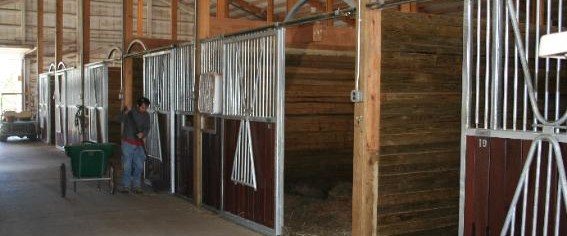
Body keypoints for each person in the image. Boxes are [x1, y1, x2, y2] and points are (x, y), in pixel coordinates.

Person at [119, 97, 151, 193]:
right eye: (143, 107)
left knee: (140, 166)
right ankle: (126, 186)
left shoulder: (146, 115)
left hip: (139, 143)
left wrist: (143, 134)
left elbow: (147, 127)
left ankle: (137, 185)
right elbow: (118, 119)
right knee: (127, 166)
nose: (144, 109)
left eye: (146, 107)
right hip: (127, 143)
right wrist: (125, 112)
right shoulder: (129, 113)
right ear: (138, 106)